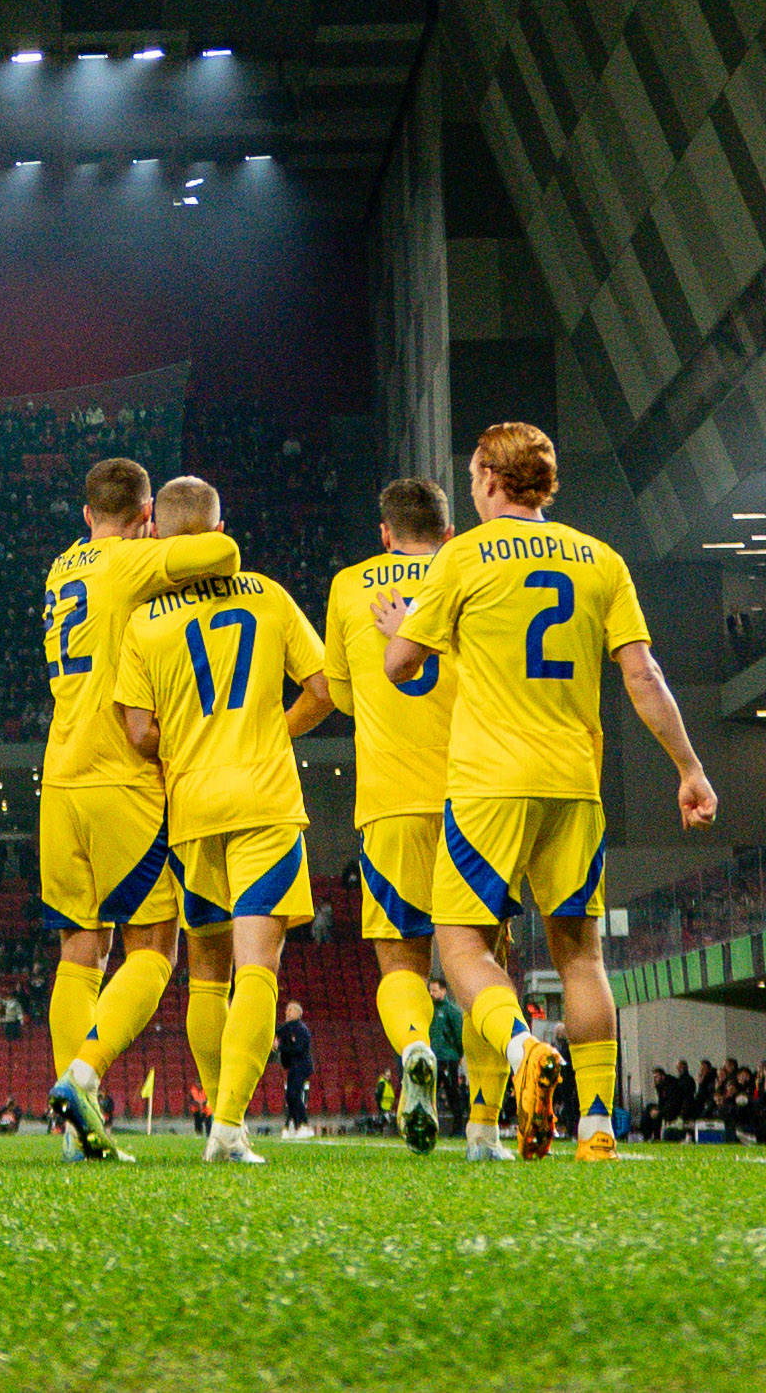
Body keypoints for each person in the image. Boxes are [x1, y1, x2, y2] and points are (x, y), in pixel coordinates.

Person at [380, 422, 718, 1163]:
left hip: (489, 784)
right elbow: (643, 675)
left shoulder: (461, 557)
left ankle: (520, 1046)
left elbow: (400, 665)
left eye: (475, 474)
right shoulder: (601, 559)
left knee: (462, 943)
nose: (472, 487)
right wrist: (689, 768)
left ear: (491, 479)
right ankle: (596, 1129)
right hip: (574, 783)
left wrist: (410, 626)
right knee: (582, 958)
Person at [91, 474, 333, 1165]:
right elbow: (322, 690)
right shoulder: (268, 595)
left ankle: (221, 1118)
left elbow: (140, 731)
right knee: (259, 967)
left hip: (193, 808)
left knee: (206, 974)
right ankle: (229, 1127)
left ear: (158, 538)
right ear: (219, 533)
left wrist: (188, 744)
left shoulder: (145, 622)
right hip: (264, 800)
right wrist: (273, 730)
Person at [37, 458, 240, 1156]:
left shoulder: (61, 568)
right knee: (153, 947)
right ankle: (83, 1077)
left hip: (60, 777)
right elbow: (221, 553)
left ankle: (73, 1134)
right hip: (119, 778)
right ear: (146, 514)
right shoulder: (131, 563)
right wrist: (161, 544)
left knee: (78, 951)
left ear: (86, 513)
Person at [319, 476, 459, 1154]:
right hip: (474, 798)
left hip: (390, 799)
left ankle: (413, 1048)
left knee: (400, 962)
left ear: (384, 533)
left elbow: (341, 695)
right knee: (479, 961)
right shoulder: (468, 575)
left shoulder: (350, 586)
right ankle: (485, 1125)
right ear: (448, 533)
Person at [426, 977, 469, 1148]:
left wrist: (459, 1054)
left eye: (435, 990)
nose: (432, 993)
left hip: (448, 1059)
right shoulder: (428, 1009)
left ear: (443, 991)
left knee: (453, 1094)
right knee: (429, 1093)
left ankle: (458, 1128)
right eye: (430, 990)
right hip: (432, 1057)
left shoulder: (452, 1011)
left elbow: (459, 1035)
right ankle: (428, 1128)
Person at [276, 1001, 315, 1138]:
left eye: (290, 1010)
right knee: (290, 1096)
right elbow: (277, 1032)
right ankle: (294, 1124)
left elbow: (298, 1049)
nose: (286, 1012)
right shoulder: (288, 1028)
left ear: (298, 1014)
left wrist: (279, 1047)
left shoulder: (301, 1029)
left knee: (294, 1094)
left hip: (302, 1066)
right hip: (294, 1066)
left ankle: (304, 1124)